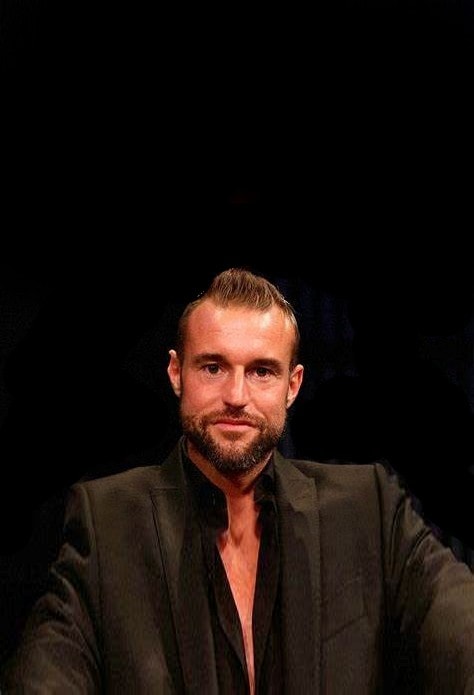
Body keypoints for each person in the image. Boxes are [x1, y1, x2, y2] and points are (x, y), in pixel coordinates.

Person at [2, 267, 474, 694]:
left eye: (262, 371)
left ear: (293, 385)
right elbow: (46, 673)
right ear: (176, 373)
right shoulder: (108, 523)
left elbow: (459, 627)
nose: (236, 395)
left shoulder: (368, 507)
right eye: (213, 367)